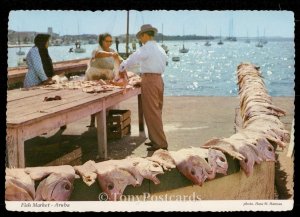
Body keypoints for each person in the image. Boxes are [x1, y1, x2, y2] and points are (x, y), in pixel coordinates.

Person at [119, 24, 168, 151]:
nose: (140, 39)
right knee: (156, 111)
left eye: (141, 36)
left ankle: (160, 143)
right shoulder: (160, 48)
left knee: (152, 113)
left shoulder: (146, 48)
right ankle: (155, 139)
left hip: (150, 80)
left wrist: (122, 67)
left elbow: (132, 59)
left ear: (145, 35)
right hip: (159, 80)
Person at [85, 33, 122, 127]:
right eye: (107, 41)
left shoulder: (113, 50)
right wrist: (111, 54)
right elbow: (97, 55)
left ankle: (107, 121)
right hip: (94, 77)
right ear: (102, 41)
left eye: (111, 41)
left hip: (108, 77)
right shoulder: (97, 49)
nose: (109, 43)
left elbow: (119, 60)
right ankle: (92, 121)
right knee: (93, 100)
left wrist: (123, 65)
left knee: (108, 99)